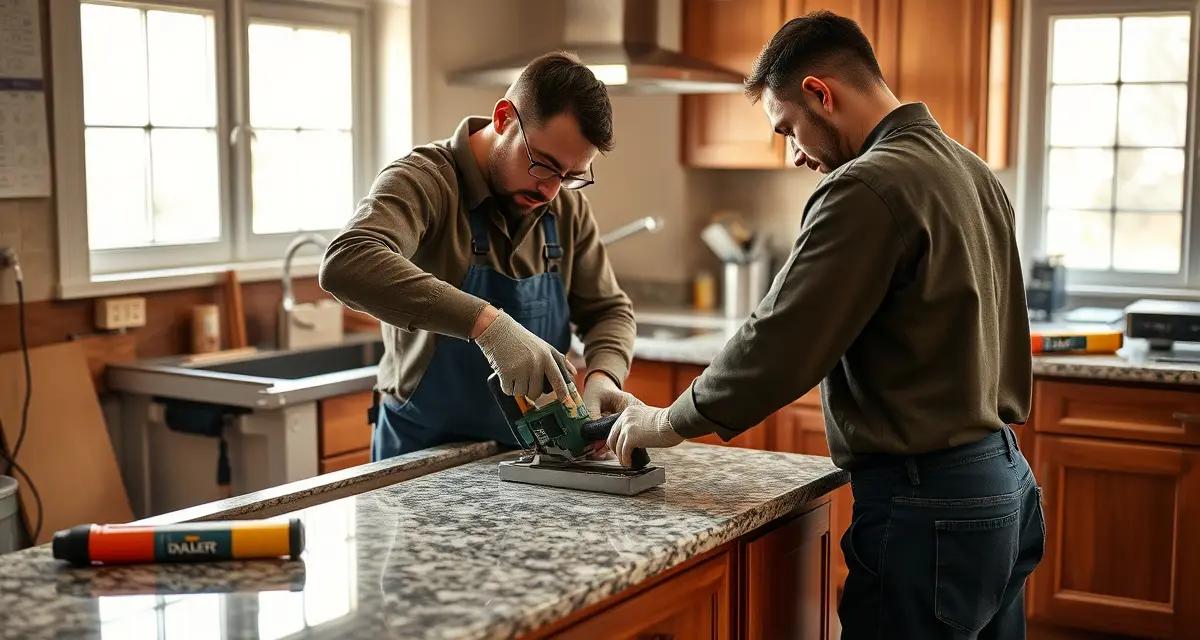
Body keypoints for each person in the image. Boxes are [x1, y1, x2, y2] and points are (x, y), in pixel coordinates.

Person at [604, 11, 1045, 640]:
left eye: (788, 129)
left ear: (820, 94)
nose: (794, 154)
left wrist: (669, 421)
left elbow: (781, 339)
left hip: (927, 504)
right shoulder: (970, 171)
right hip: (1004, 487)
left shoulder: (867, 185)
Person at [319, 51, 636, 461]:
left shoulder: (565, 209)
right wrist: (488, 326)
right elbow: (347, 261)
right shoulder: (426, 179)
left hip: (533, 460)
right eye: (543, 164)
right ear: (503, 118)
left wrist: (604, 377)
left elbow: (609, 310)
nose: (550, 191)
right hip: (420, 460)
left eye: (570, 177)